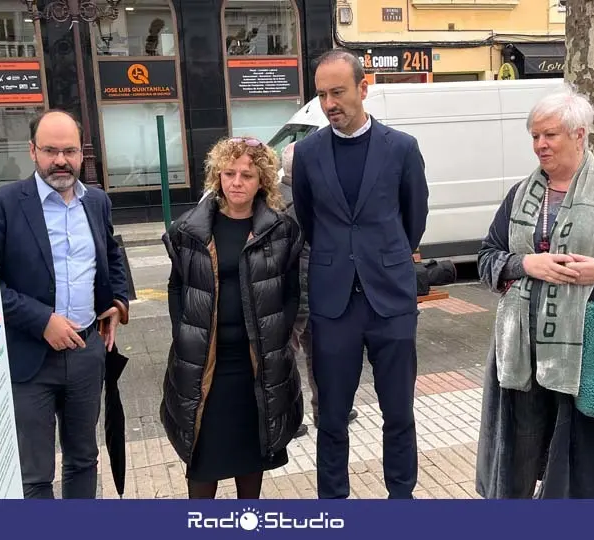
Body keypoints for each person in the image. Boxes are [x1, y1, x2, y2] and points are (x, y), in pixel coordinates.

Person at [475, 84, 594, 499]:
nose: (540, 145)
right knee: (521, 460)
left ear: (579, 135)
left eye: (549, 134)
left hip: (592, 355)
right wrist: (525, 264)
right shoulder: (521, 194)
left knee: (587, 466)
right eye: (534, 136)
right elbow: (486, 257)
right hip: (523, 355)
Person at [291, 49, 429, 499]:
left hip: (390, 301)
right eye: (321, 94)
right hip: (333, 305)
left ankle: (400, 500)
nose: (329, 103)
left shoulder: (402, 148)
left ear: (363, 88)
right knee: (331, 415)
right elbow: (309, 221)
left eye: (338, 92)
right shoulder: (308, 154)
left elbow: (414, 219)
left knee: (399, 413)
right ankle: (334, 504)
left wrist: (382, 258)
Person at [0, 109, 129, 498]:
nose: (61, 160)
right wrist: (42, 321)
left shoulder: (96, 201)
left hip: (86, 353)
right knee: (34, 474)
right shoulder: (3, 204)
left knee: (83, 459)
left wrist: (116, 303)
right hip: (30, 358)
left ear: (82, 154)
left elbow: (113, 254)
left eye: (69, 150)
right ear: (32, 151)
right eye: (50, 150)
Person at [161, 136, 304, 499]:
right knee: (202, 458)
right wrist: (183, 331)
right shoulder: (189, 230)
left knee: (250, 459)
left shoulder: (280, 231)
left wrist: (280, 332)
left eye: (247, 175)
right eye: (229, 173)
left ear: (262, 182)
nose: (237, 182)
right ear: (217, 176)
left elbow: (290, 289)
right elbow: (177, 285)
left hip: (255, 366)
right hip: (204, 365)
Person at [279, 142, 358, 438]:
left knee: (301, 351)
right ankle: (310, 413)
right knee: (306, 352)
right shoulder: (300, 201)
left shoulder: (277, 197)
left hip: (295, 289)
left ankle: (308, 412)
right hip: (306, 287)